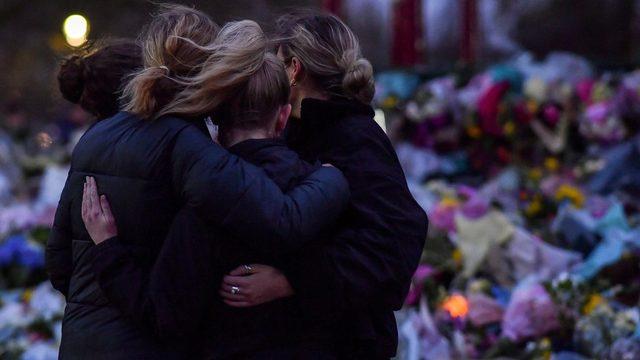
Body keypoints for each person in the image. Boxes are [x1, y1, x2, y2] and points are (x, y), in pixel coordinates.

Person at [45, 5, 349, 359]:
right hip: (145, 345)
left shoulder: (96, 136)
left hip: (81, 342)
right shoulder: (186, 146)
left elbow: (59, 262)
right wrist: (332, 178)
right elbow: (282, 219)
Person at [218, 12, 428, 359]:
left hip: (346, 342)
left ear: (294, 68)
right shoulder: (297, 131)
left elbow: (391, 249)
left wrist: (291, 281)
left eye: (277, 63)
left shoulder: (354, 137)